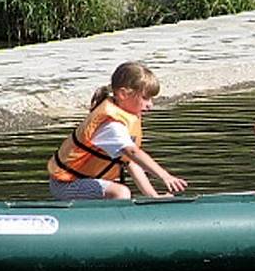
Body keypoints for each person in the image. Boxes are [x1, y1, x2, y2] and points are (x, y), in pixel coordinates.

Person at [47, 61, 187, 200]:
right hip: (66, 184)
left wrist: (153, 196)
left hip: (85, 181)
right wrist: (164, 176)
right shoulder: (111, 124)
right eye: (145, 98)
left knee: (120, 188)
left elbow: (130, 162)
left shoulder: (124, 120)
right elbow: (132, 152)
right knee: (120, 192)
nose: (150, 105)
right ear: (123, 94)